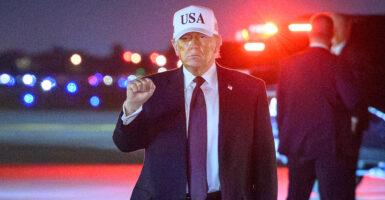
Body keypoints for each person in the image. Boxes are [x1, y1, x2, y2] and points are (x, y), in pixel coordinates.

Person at [112, 5, 277, 200]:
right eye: (185, 38)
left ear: (217, 42)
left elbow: (265, 163)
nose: (193, 45)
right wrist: (132, 108)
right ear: (175, 46)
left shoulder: (249, 90)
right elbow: (126, 144)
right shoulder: (153, 88)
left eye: (202, 37)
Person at [277, 14, 366, 200]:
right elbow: (354, 102)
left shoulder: (288, 65)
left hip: (298, 145)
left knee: (296, 195)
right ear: (332, 33)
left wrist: (288, 138)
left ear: (310, 34)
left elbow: (282, 109)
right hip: (330, 147)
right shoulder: (337, 64)